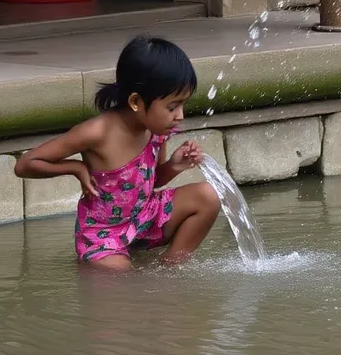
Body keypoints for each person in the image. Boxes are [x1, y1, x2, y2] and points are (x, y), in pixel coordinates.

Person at [15, 36, 220, 270]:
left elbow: (151, 184)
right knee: (125, 281)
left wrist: (174, 165)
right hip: (103, 234)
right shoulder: (97, 132)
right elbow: (25, 164)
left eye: (183, 105)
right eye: (172, 107)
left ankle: (170, 271)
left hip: (146, 218)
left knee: (208, 196)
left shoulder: (157, 129)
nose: (180, 116)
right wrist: (75, 168)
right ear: (136, 101)